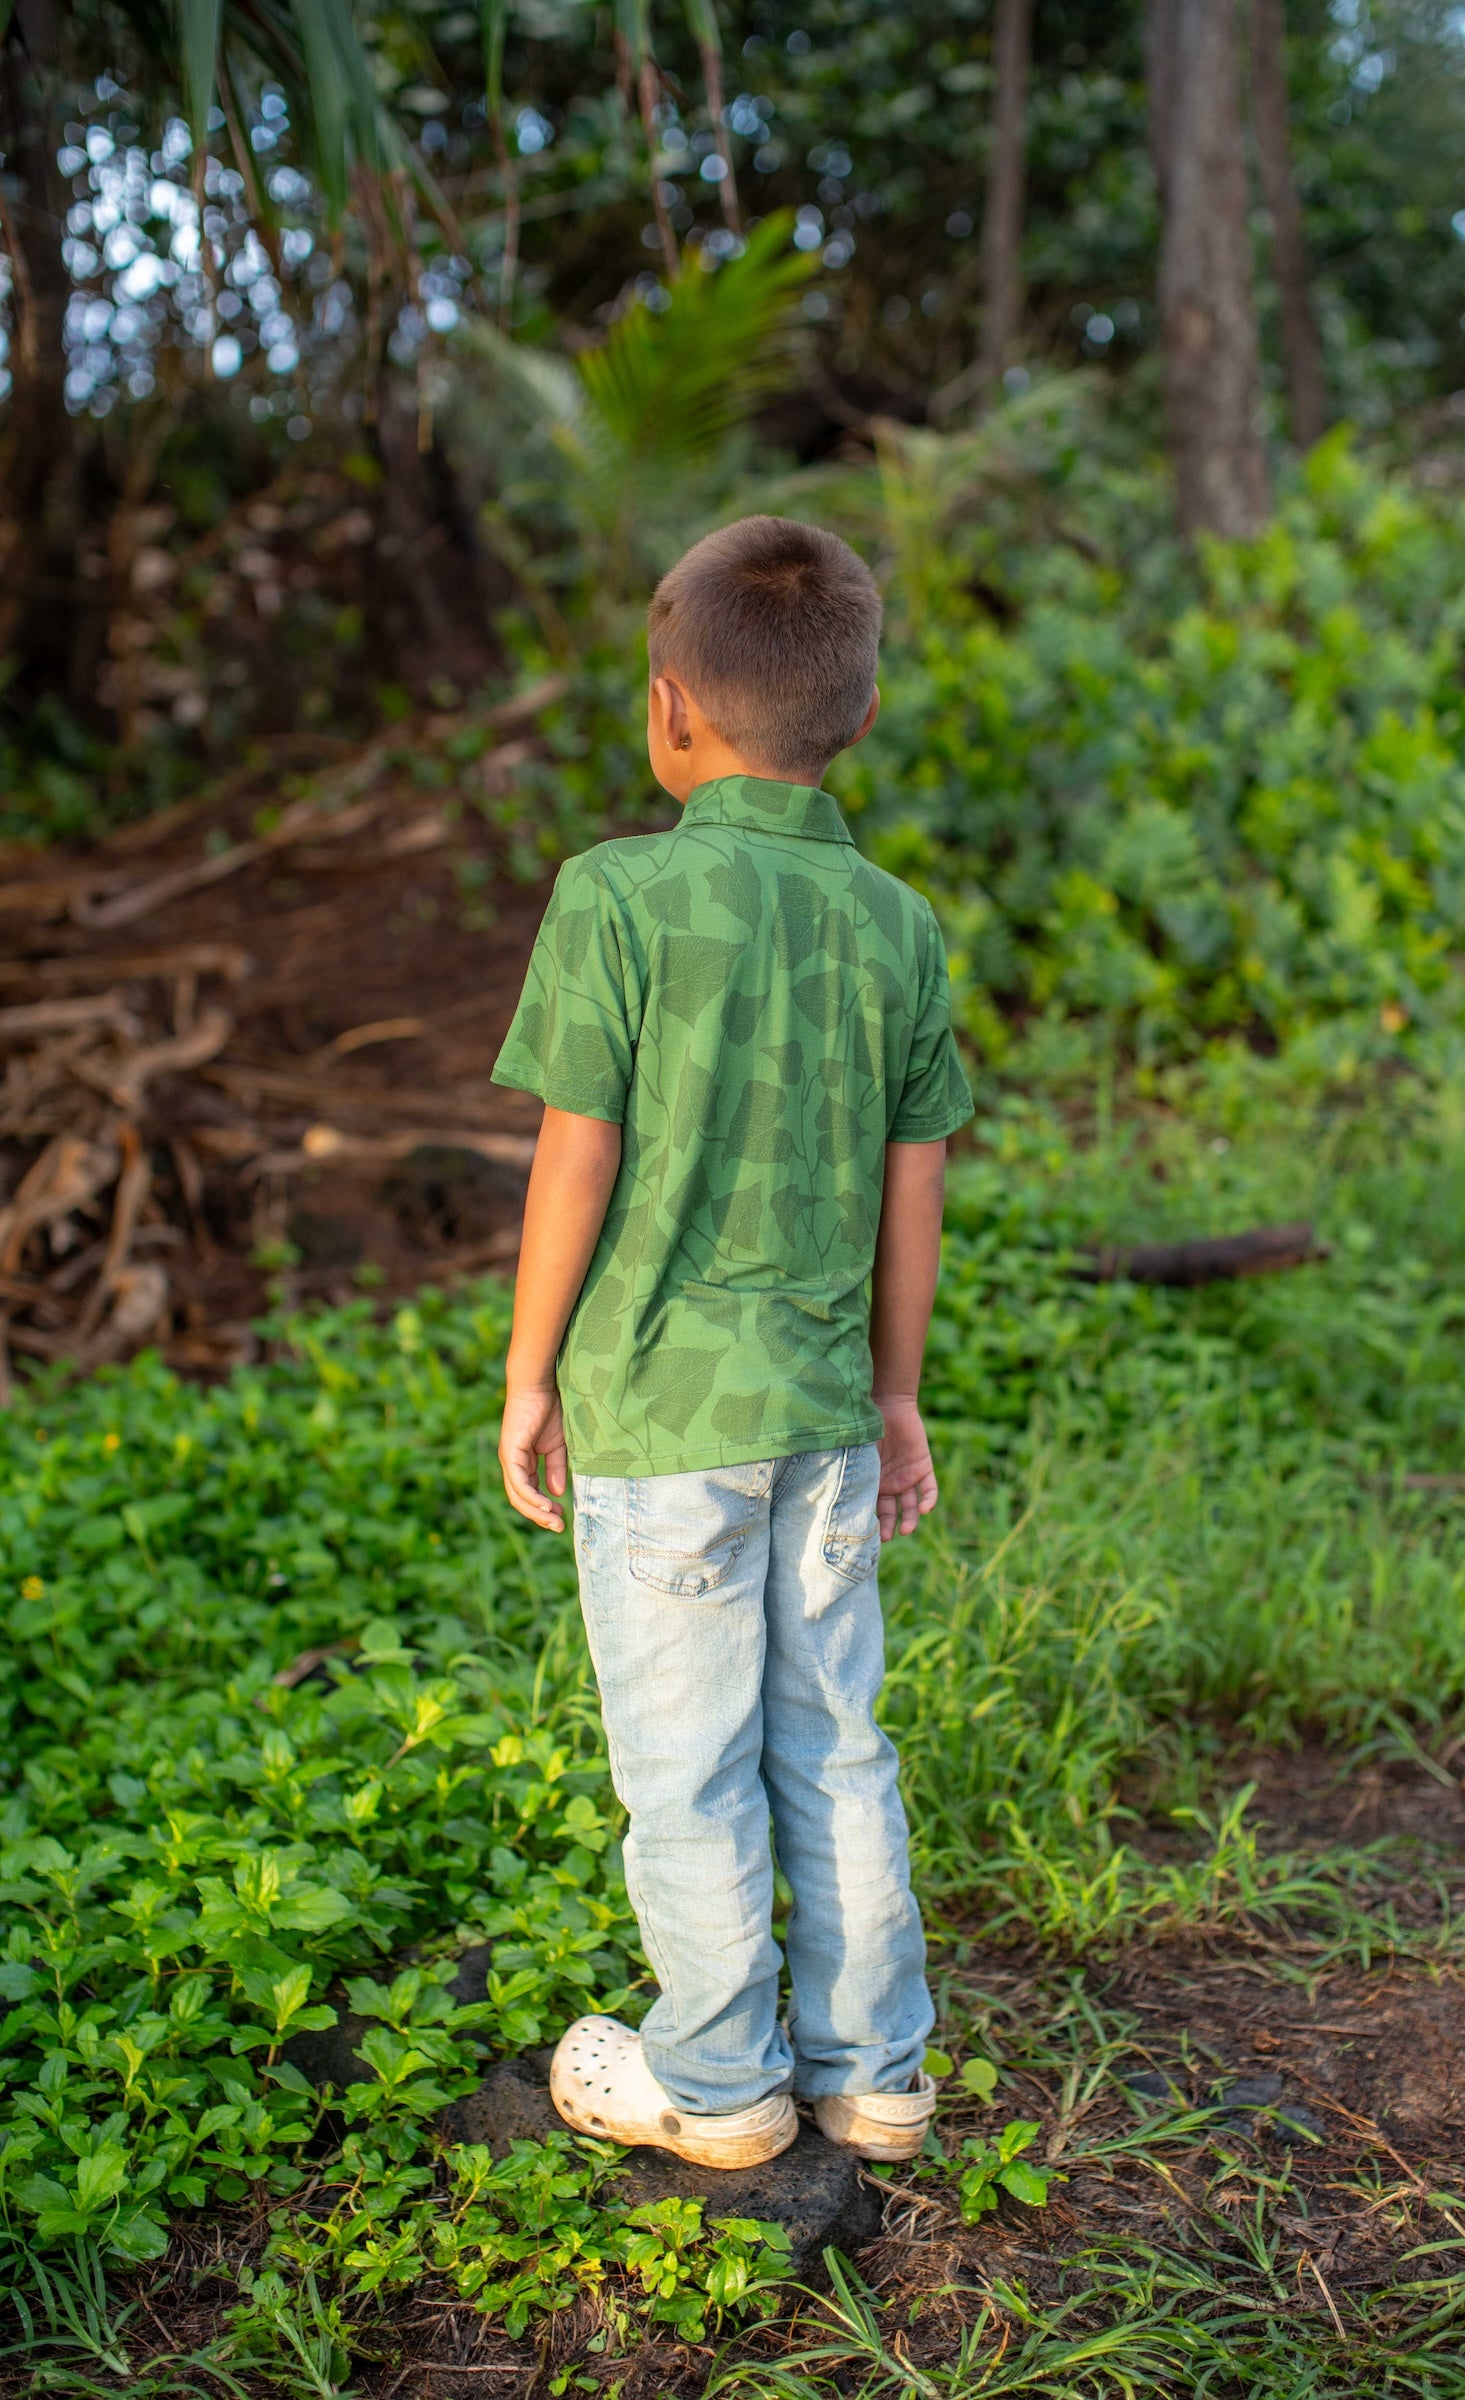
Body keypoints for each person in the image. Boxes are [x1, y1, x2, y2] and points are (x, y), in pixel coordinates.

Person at [491, 515, 974, 2172]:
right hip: (827, 1411)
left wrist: (530, 1371)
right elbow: (916, 1197)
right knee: (833, 1734)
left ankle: (718, 2087)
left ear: (671, 708)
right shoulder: (897, 926)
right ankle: (876, 2075)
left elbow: (579, 1156)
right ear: (864, 709)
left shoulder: (616, 897)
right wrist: (898, 1394)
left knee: (688, 1768)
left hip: (662, 1410)